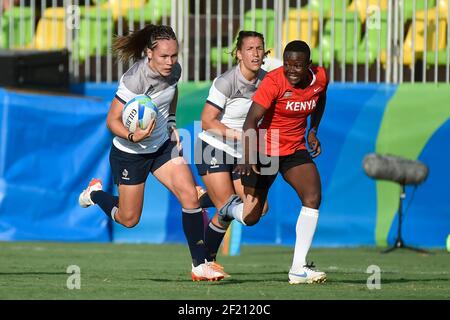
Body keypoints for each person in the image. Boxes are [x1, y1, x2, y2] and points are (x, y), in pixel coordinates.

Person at [78, 24, 226, 282]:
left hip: (161, 148)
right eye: (164, 57)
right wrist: (134, 136)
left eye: (174, 56)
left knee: (190, 196)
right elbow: (112, 121)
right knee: (128, 218)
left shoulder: (174, 71)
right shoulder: (135, 79)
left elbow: (173, 92)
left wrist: (170, 121)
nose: (170, 62)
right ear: (149, 53)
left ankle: (199, 265)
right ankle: (95, 194)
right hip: (130, 153)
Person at [219, 40, 328, 284]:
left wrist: (313, 130)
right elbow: (250, 122)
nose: (291, 70)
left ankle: (298, 268)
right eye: (287, 64)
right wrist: (248, 156)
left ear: (308, 65)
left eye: (297, 66)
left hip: (294, 149)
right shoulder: (274, 81)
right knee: (251, 217)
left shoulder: (320, 77)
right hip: (264, 150)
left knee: (313, 197)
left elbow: (320, 99)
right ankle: (229, 208)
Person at [195, 31, 269, 264]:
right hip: (213, 147)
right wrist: (241, 135)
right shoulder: (226, 81)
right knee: (228, 208)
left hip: (242, 154)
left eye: (259, 48)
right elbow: (207, 121)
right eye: (249, 49)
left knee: (257, 211)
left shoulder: (267, 81)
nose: (255, 53)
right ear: (239, 54)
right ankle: (206, 262)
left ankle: (203, 197)